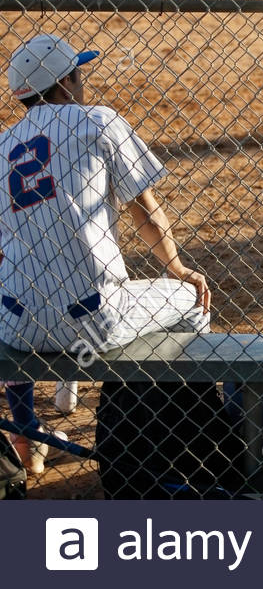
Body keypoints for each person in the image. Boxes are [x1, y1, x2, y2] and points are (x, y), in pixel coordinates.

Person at [1, 34, 210, 472]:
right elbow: (145, 211)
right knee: (192, 302)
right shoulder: (98, 121)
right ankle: (186, 437)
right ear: (65, 83)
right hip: (92, 325)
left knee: (41, 274)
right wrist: (177, 268)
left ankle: (27, 429)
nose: (83, 80)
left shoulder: (2, 148)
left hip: (16, 326)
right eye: (78, 73)